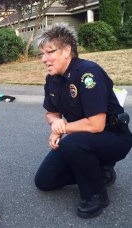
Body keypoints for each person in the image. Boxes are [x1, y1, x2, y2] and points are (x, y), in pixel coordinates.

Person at [34, 23, 132, 219]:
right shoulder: (52, 80)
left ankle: (96, 195)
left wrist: (63, 130)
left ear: (67, 50)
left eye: (49, 52)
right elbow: (51, 113)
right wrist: (55, 124)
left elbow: (96, 124)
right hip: (80, 139)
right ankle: (99, 172)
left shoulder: (88, 74)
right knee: (44, 181)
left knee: (72, 143)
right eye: (42, 54)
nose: (44, 59)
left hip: (113, 137)